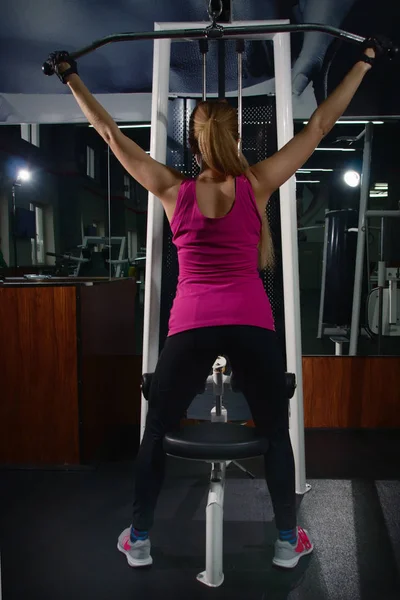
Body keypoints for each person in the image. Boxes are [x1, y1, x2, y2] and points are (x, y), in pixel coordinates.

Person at [46, 36, 381, 570]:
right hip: (251, 324)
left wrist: (69, 77)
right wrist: (363, 63)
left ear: (194, 139)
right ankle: (286, 540)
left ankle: (139, 538)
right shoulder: (258, 184)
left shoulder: (170, 189)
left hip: (192, 326)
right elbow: (318, 126)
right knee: (273, 431)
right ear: (236, 135)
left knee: (156, 431)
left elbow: (108, 134)